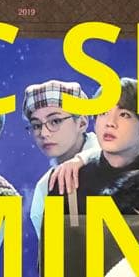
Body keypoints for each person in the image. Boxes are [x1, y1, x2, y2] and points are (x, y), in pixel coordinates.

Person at [47, 77, 139, 217]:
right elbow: (51, 231)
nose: (110, 123)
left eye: (124, 114)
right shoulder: (67, 178)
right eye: (103, 113)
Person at [21, 79, 99, 238]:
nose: (44, 133)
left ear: (82, 123)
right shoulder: (44, 188)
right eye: (36, 125)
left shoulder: (115, 158)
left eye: (55, 121)